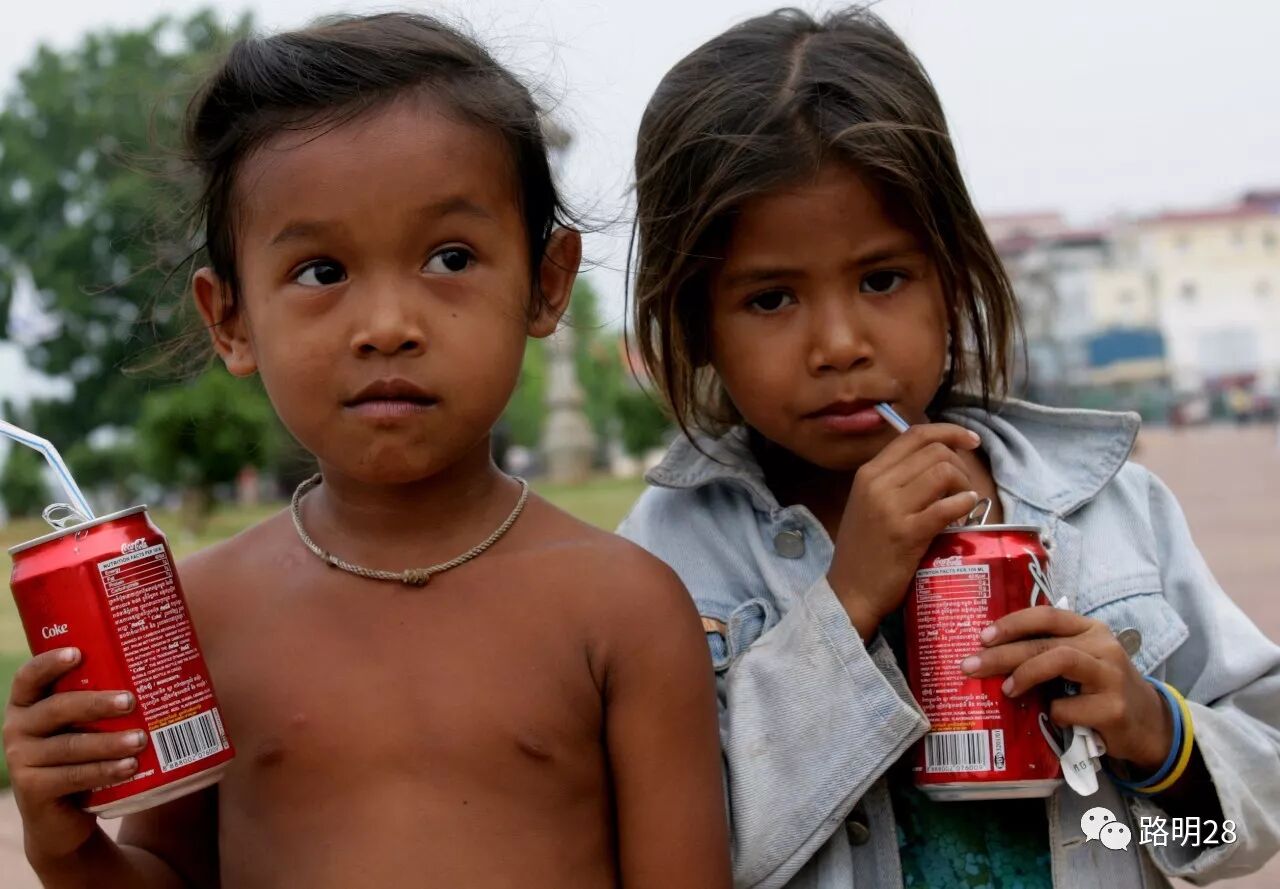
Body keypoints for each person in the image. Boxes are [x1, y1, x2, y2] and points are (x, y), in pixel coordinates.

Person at [2, 13, 730, 889]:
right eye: (322, 271)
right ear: (230, 318)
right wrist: (70, 848)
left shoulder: (626, 609)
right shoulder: (200, 612)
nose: (387, 326)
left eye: (449, 258)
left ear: (546, 283)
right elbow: (166, 870)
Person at [619, 7, 1280, 889]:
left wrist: (1156, 732)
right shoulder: (659, 562)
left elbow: (1259, 795)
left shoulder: (1108, 511)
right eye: (771, 298)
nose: (840, 345)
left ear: (953, 277)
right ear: (695, 324)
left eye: (882, 278)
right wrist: (845, 606)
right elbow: (690, 854)